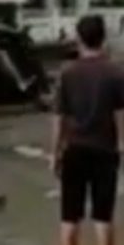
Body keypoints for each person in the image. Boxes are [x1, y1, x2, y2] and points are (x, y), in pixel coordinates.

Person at [52, 14, 124, 245]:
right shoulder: (115, 72)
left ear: (78, 39)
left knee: (69, 217)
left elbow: (59, 117)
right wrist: (121, 144)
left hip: (75, 149)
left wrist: (56, 153)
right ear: (103, 38)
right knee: (103, 216)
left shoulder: (67, 73)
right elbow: (120, 113)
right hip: (105, 149)